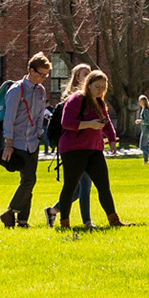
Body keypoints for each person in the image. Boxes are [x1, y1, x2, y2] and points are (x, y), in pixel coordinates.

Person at [45, 70, 126, 229]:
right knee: (70, 186)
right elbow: (66, 123)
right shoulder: (76, 99)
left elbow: (106, 122)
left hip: (94, 149)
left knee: (103, 185)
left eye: (103, 87)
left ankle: (114, 220)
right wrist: (90, 124)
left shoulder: (100, 103)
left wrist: (111, 139)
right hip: (73, 149)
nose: (100, 90)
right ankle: (64, 223)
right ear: (88, 85)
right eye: (97, 86)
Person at [0, 53, 52, 228]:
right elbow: (9, 119)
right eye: (40, 74)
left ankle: (22, 221)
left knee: (28, 181)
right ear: (31, 70)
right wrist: (9, 144)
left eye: (46, 75)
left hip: (33, 142)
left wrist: (38, 133)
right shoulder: (16, 90)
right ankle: (10, 212)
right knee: (29, 180)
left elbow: (39, 116)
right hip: (18, 141)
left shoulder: (41, 91)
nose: (43, 78)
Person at [55, 64, 95, 227]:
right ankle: (87, 222)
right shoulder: (71, 98)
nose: (89, 76)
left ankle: (53, 210)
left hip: (87, 146)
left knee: (78, 189)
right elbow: (68, 123)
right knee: (84, 185)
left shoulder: (91, 96)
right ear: (77, 77)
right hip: (73, 148)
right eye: (85, 74)